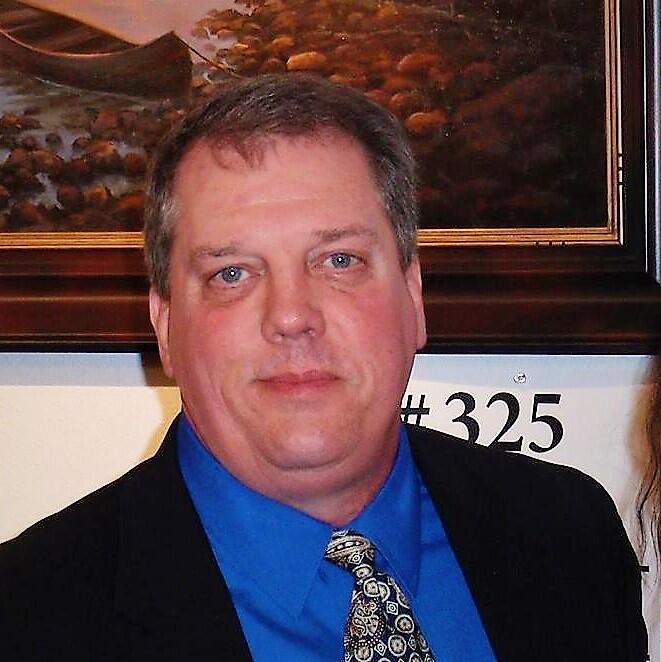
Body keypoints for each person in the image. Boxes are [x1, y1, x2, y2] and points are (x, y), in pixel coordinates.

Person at [0, 74, 647, 661]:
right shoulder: (26, 618)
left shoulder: (570, 534)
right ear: (165, 325)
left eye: (339, 261)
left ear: (413, 297)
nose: (291, 316)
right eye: (232, 273)